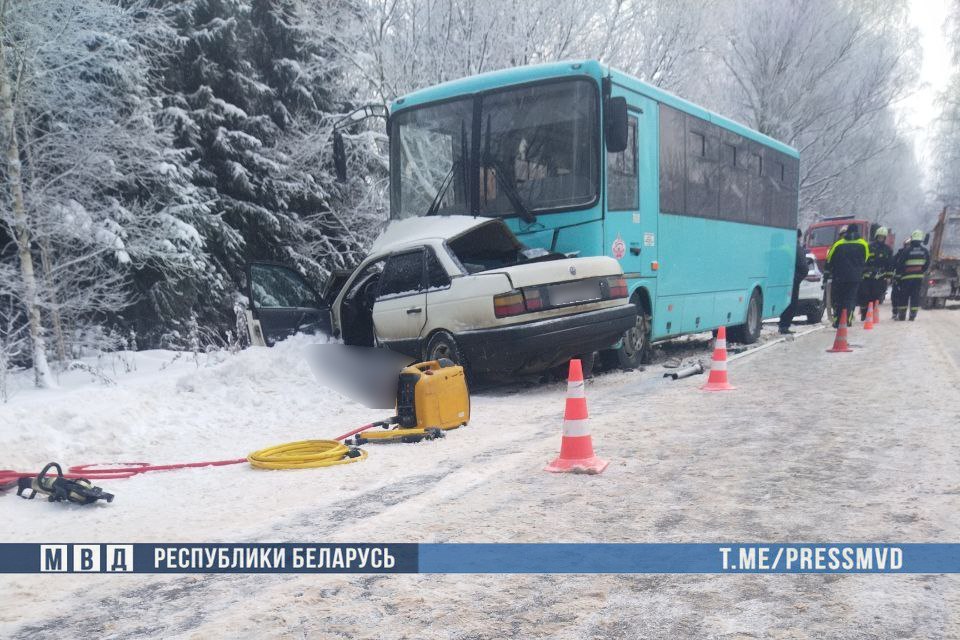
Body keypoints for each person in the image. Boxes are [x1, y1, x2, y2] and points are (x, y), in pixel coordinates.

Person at [824, 225, 869, 328]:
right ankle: (847, 320)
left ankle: (837, 320)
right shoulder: (863, 244)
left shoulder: (838, 244)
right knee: (850, 298)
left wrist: (829, 273)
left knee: (838, 299)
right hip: (855, 278)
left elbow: (829, 260)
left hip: (839, 277)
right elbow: (865, 259)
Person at [892, 230, 931, 321]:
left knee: (904, 296)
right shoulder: (924, 251)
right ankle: (912, 316)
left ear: (912, 239)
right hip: (918, 277)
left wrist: (899, 275)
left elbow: (900, 264)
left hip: (906, 278)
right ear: (920, 240)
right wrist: (921, 271)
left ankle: (902, 316)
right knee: (915, 296)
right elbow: (927, 264)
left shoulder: (907, 251)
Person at [858, 227, 893, 320]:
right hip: (867, 277)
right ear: (876, 236)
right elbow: (863, 260)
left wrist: (889, 276)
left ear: (885, 238)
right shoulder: (868, 247)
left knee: (876, 296)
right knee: (864, 295)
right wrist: (863, 271)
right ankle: (863, 313)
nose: (880, 239)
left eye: (882, 237)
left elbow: (890, 264)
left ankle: (870, 314)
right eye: (879, 237)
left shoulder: (887, 250)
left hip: (879, 277)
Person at [778, 229, 809, 334]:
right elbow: (804, 268)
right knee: (791, 303)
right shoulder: (796, 248)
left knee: (781, 302)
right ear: (799, 237)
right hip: (791, 281)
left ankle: (782, 325)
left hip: (778, 280)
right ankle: (784, 326)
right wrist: (796, 280)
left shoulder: (782, 247)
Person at [890, 238, 910, 320]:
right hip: (897, 278)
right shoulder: (899, 253)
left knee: (903, 297)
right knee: (894, 296)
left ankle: (901, 314)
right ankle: (895, 312)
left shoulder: (911, 254)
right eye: (907, 245)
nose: (908, 247)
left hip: (906, 279)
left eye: (909, 245)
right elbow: (893, 263)